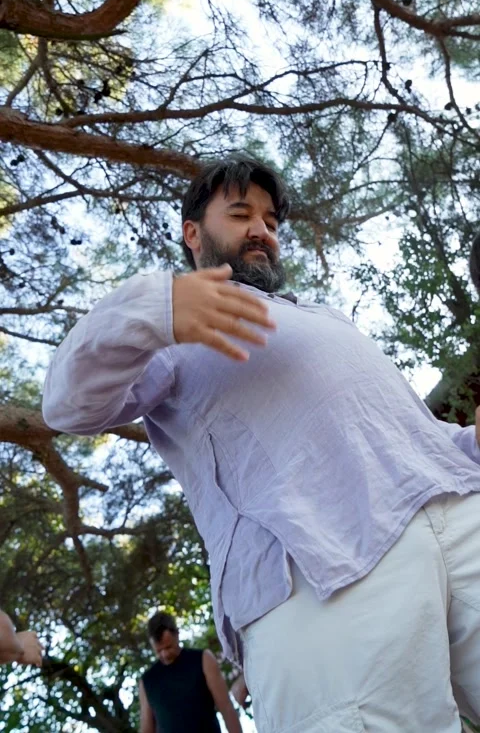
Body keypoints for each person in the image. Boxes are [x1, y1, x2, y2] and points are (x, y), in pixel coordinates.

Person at [43, 154, 480, 732]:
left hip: (456, 511)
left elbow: (400, 429)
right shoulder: (162, 337)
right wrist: (161, 309)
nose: (261, 231)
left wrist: (468, 444)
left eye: (272, 222)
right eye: (242, 213)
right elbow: (67, 405)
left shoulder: (325, 317)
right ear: (192, 234)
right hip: (317, 564)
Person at [139, 611, 242, 733]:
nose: (164, 654)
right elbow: (146, 728)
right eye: (159, 650)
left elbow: (226, 708)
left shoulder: (203, 659)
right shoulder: (147, 681)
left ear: (177, 634)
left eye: (168, 647)